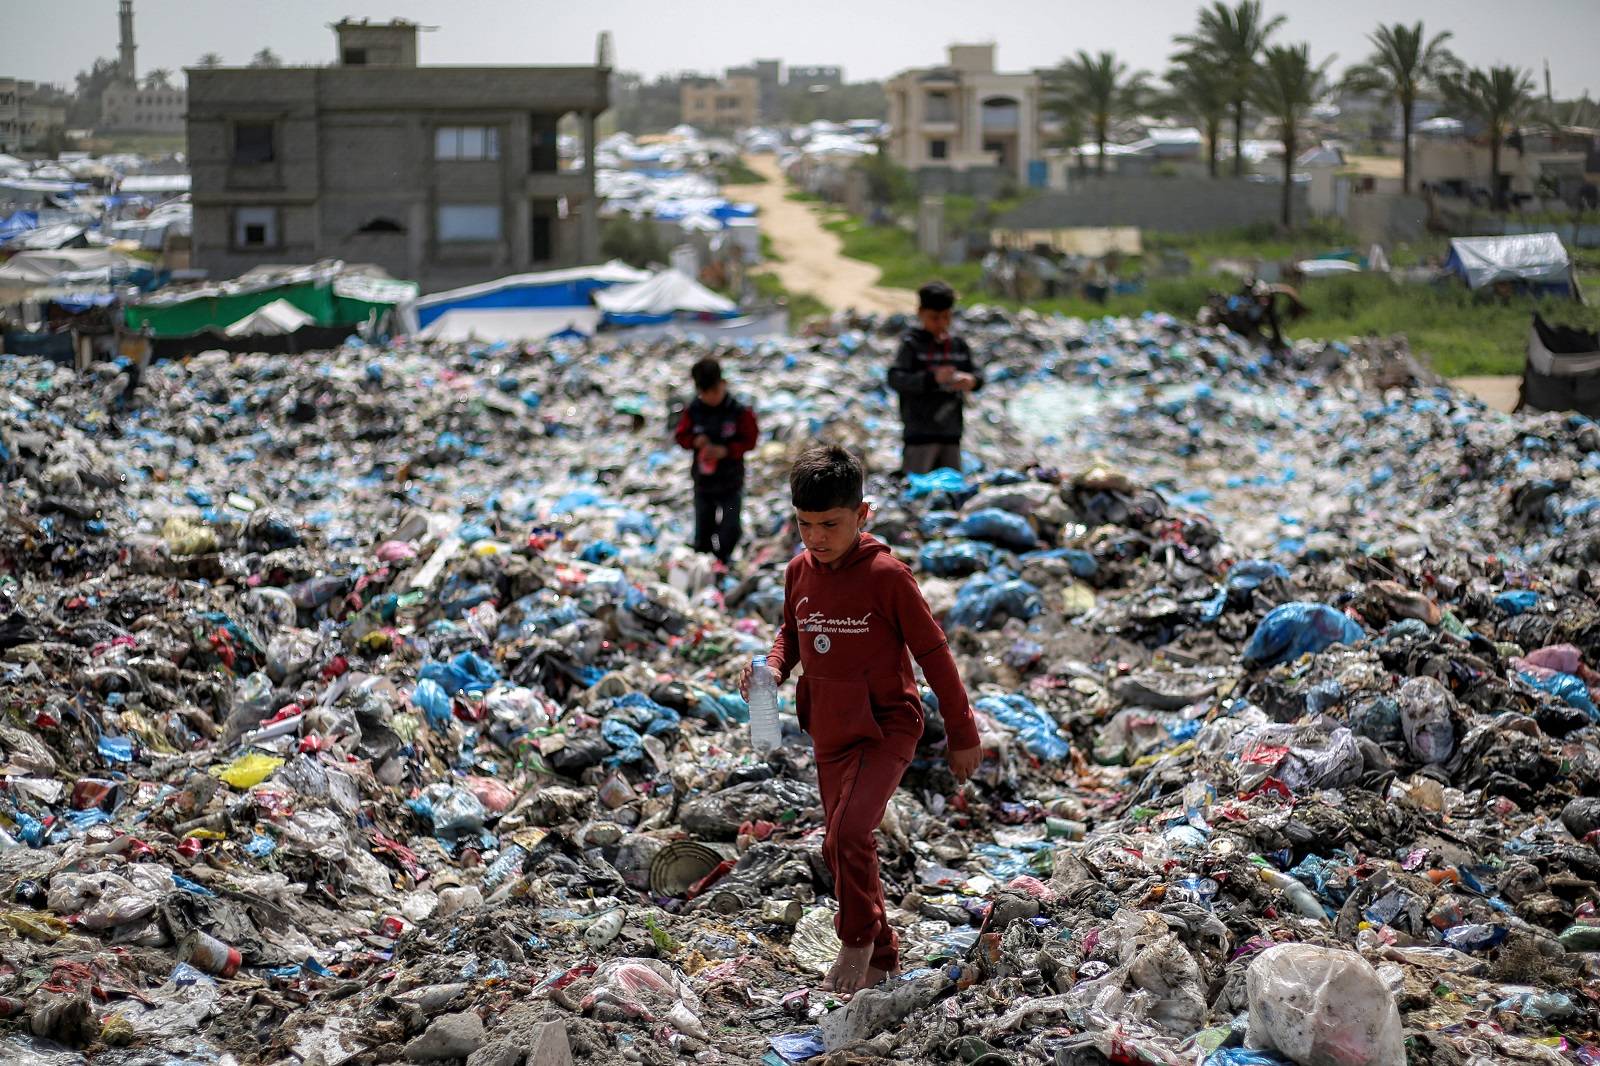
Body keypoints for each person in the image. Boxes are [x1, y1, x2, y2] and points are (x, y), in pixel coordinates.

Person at [741, 445, 982, 993]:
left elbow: (935, 653)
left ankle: (855, 944)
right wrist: (772, 668)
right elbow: (792, 634)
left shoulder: (886, 576)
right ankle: (885, 956)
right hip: (828, 725)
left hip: (887, 724)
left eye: (830, 524)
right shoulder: (799, 570)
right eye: (805, 524)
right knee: (840, 840)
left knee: (848, 832)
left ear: (862, 514)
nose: (816, 538)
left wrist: (963, 731)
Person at [887, 281, 983, 476]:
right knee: (917, 489)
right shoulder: (911, 344)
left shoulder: (958, 345)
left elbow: (979, 375)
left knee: (950, 490)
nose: (941, 324)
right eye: (935, 318)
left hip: (951, 433)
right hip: (920, 433)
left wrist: (971, 381)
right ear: (921, 313)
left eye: (946, 317)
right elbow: (896, 379)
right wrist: (932, 378)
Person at [674, 356, 758, 564]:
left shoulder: (738, 412)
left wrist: (726, 450)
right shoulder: (694, 411)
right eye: (705, 393)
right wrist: (695, 440)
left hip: (730, 481)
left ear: (723, 384)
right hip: (704, 482)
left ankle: (723, 562)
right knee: (704, 527)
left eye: (715, 392)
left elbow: (750, 440)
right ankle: (704, 565)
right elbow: (680, 436)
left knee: (729, 527)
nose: (711, 397)